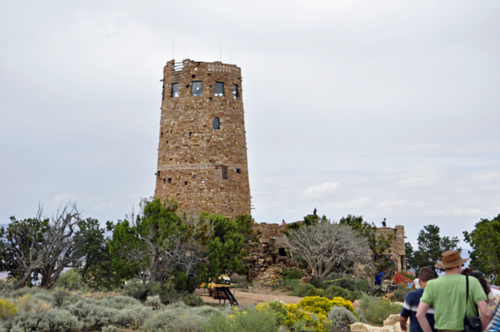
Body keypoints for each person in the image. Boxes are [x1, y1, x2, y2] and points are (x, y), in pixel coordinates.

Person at [416, 250, 490, 332]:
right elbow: (486, 313)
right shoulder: (472, 281)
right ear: (458, 266)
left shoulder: (432, 284)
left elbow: (419, 315)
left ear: (444, 267)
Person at [400, 267, 436, 332]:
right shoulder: (438, 296)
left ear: (419, 278)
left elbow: (403, 318)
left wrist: (403, 326)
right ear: (433, 279)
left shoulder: (411, 296)